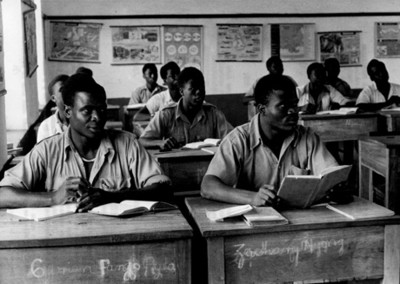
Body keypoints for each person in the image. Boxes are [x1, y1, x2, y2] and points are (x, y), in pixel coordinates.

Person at [0, 73, 171, 211]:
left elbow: (163, 188)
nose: (97, 117)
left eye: (101, 109)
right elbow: (3, 194)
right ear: (68, 112)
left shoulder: (127, 144)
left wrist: (112, 196)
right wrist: (54, 197)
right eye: (87, 110)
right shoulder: (47, 150)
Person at [201, 74, 339, 206]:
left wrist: (337, 188)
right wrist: (253, 197)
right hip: (253, 223)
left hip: (300, 220)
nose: (293, 111)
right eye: (284, 106)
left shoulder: (308, 138)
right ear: (262, 109)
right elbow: (208, 186)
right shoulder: (238, 140)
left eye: (295, 104)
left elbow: (332, 175)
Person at [139, 67, 233, 150]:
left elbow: (233, 138)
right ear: (181, 91)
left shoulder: (213, 114)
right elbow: (142, 140)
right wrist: (159, 143)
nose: (198, 92)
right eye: (193, 88)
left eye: (202, 88)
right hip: (175, 167)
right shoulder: (166, 114)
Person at [36, 74, 70, 142]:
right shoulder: (46, 127)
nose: (68, 92)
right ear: (53, 98)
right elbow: (43, 152)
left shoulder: (85, 120)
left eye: (70, 88)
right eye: (62, 89)